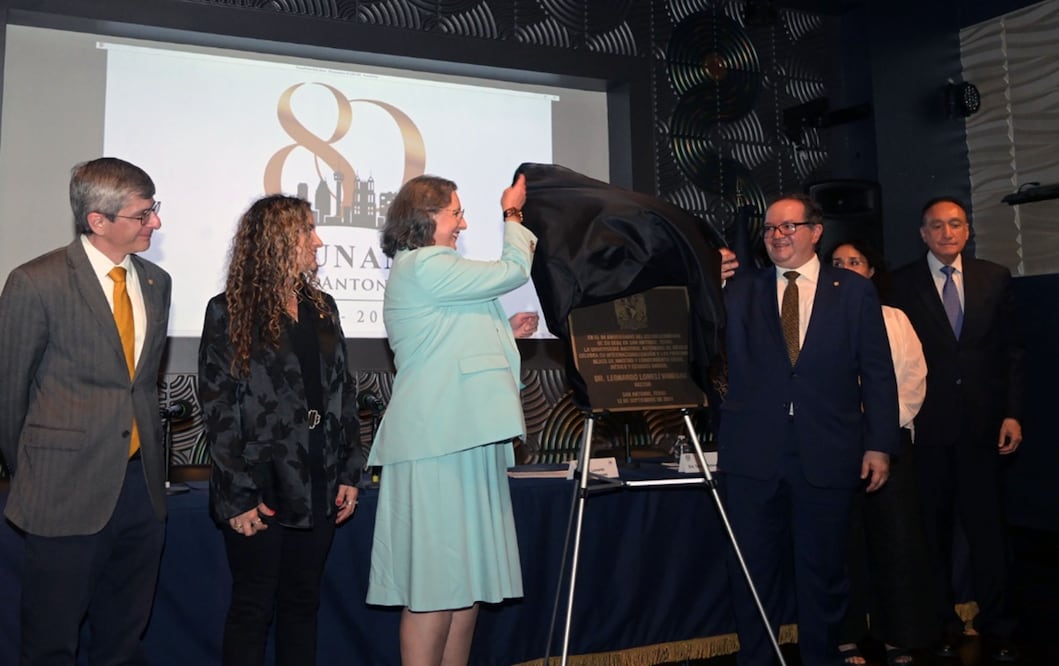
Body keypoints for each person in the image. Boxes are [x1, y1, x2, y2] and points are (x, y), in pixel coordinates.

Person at [0, 157, 170, 664]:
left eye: (154, 209)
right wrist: (36, 473)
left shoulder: (157, 282)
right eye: (143, 214)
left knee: (123, 639)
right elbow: (9, 394)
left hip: (141, 490)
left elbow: (141, 386)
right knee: (51, 642)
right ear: (98, 220)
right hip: (63, 491)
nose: (156, 222)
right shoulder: (36, 281)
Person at [718, 194, 899, 666]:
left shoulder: (853, 290)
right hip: (753, 455)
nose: (777, 236)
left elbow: (877, 372)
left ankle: (822, 657)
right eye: (770, 228)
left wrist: (880, 444)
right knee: (753, 570)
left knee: (823, 571)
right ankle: (757, 658)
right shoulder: (739, 289)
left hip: (829, 452)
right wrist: (707, 281)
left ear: (816, 232)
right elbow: (700, 339)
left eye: (789, 226)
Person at [366, 174, 537, 666]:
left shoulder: (433, 270)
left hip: (462, 438)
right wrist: (512, 214)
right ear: (427, 217)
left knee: (467, 586)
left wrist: (503, 331)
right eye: (456, 213)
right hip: (436, 443)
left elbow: (446, 340)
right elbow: (512, 271)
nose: (463, 223)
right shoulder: (424, 264)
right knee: (435, 587)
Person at [198, 194, 366, 666]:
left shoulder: (323, 306)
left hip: (320, 480)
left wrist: (350, 471)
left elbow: (343, 392)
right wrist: (238, 495)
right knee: (252, 609)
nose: (318, 241)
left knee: (303, 604)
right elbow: (219, 408)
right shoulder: (228, 310)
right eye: (307, 230)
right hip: (260, 485)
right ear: (275, 241)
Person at [890, 197, 1024, 662]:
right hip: (928, 429)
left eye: (955, 224)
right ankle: (943, 624)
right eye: (937, 226)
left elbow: (1011, 352)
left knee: (990, 533)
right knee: (933, 533)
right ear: (922, 233)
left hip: (985, 429)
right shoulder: (900, 283)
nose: (947, 233)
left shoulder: (995, 277)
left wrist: (1012, 413)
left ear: (967, 230)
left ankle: (998, 626)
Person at [827, 241, 937, 665]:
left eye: (854, 262)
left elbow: (913, 379)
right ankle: (846, 636)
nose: (845, 269)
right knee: (842, 542)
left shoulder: (895, 318)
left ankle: (899, 636)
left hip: (890, 441)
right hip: (835, 443)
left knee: (897, 540)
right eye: (837, 263)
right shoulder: (817, 318)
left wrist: (879, 425)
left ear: (871, 271)